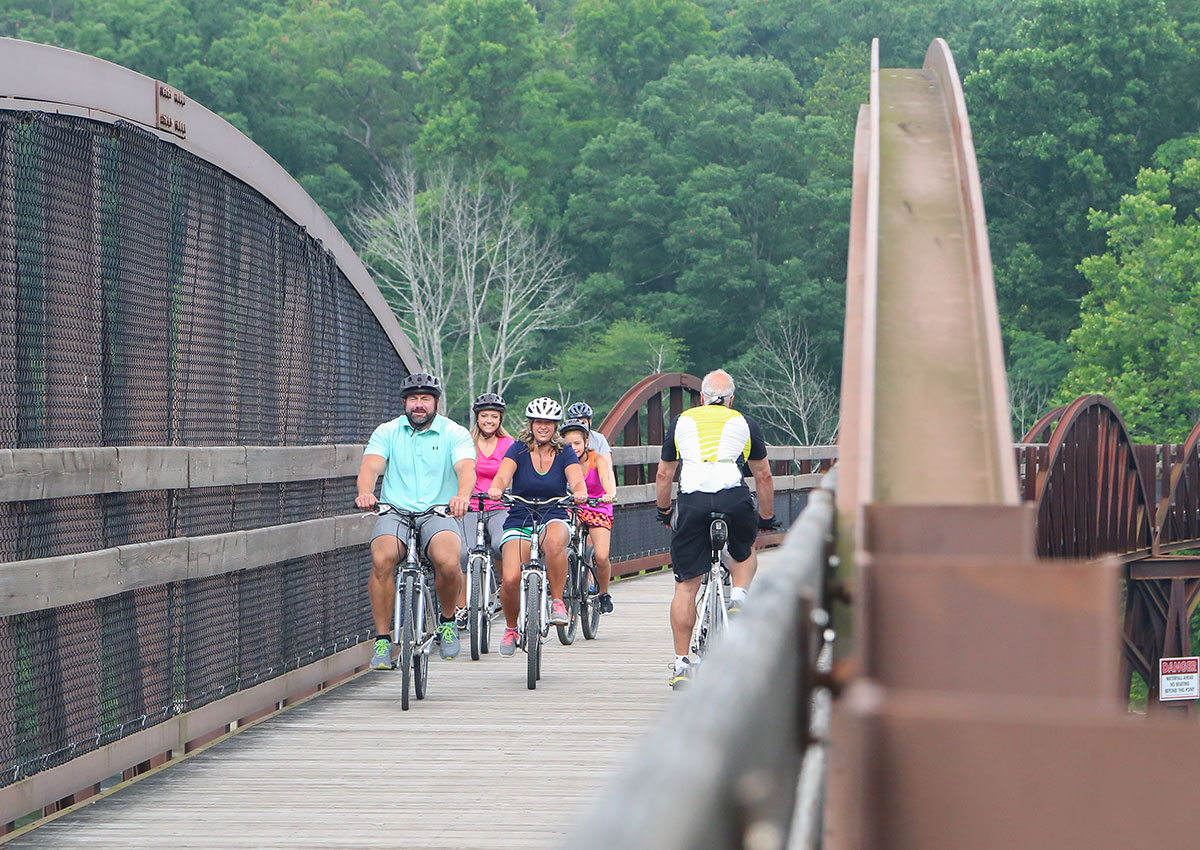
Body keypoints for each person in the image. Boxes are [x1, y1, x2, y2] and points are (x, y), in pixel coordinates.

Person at [653, 369, 780, 689]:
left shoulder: (681, 421)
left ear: (701, 398)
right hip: (733, 497)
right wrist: (766, 518)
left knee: (686, 586)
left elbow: (664, 474)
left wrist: (664, 510)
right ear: (731, 400)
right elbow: (763, 475)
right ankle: (738, 597)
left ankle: (682, 664)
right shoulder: (745, 423)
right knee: (744, 550)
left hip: (692, 501)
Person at [355, 373, 476, 667]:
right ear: (404, 403)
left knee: (449, 560)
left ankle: (447, 620)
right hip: (395, 510)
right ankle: (382, 640)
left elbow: (465, 468)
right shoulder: (387, 431)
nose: (419, 404)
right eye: (413, 399)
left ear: (436, 402)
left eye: (425, 399)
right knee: (382, 559)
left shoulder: (454, 432)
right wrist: (365, 492)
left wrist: (462, 496)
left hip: (439, 511)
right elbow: (371, 466)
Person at [486, 398, 588, 657]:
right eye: (538, 422)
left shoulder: (565, 452)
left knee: (554, 543)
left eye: (549, 423)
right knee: (510, 578)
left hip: (553, 512)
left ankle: (557, 602)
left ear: (555, 426)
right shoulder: (518, 450)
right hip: (520, 515)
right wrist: (497, 487)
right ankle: (511, 629)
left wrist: (580, 491)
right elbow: (503, 475)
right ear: (530, 424)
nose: (543, 427)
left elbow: (577, 480)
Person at [454, 392, 514, 630]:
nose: (489, 420)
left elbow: (514, 473)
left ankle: (504, 591)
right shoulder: (466, 442)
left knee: (501, 545)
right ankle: (460, 609)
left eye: (494, 416)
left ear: (500, 419)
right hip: (470, 506)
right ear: (477, 418)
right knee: (462, 553)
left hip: (498, 506)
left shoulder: (508, 444)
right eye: (485, 416)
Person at [559, 418, 617, 613]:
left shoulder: (596, 459)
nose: (573, 448)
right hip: (573, 506)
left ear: (586, 442)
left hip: (597, 506)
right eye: (569, 444)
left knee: (601, 556)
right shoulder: (561, 459)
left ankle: (604, 593)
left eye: (577, 443)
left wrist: (609, 494)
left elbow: (606, 480)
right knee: (560, 541)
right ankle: (566, 576)